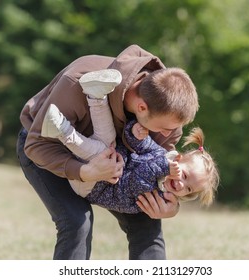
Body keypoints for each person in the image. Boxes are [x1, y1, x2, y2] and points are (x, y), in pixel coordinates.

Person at [17, 44, 199, 259]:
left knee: (148, 226)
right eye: (164, 128)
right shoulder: (79, 79)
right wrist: (85, 172)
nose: (170, 134)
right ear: (142, 107)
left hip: (117, 174)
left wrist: (172, 205)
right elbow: (36, 145)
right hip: (50, 149)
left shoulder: (167, 110)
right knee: (77, 222)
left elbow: (159, 161)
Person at [41, 69, 219, 214]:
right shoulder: (161, 156)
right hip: (104, 167)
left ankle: (62, 131)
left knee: (102, 150)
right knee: (108, 140)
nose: (181, 185)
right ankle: (96, 96)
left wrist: (164, 167)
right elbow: (141, 147)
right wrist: (135, 133)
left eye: (188, 189)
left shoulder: (159, 197)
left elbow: (137, 179)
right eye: (185, 176)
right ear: (178, 159)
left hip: (93, 186)